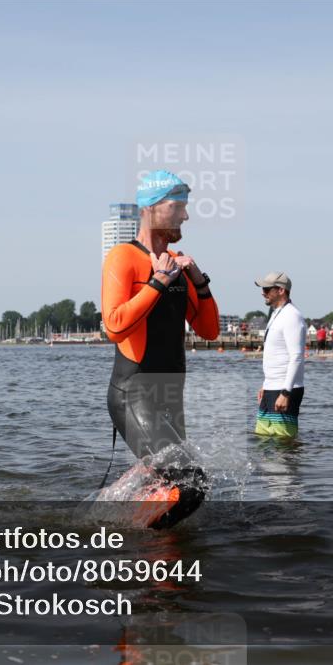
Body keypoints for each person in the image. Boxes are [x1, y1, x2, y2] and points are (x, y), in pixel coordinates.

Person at [101, 170, 219, 528]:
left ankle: (119, 512)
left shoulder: (179, 265)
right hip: (133, 394)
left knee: (175, 485)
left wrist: (198, 280)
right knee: (190, 484)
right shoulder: (123, 257)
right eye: (178, 206)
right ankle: (138, 541)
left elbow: (210, 331)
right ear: (151, 207)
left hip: (170, 395)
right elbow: (114, 325)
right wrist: (157, 282)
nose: (185, 215)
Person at [254, 272, 306, 439]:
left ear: (281, 290)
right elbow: (275, 354)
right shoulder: (277, 313)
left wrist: (285, 393)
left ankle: (290, 465)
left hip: (284, 389)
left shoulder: (292, 316)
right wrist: (265, 384)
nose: (263, 292)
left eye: (267, 289)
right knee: (263, 439)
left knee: (283, 443)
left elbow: (296, 356)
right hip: (271, 386)